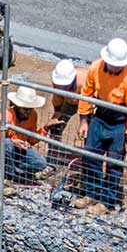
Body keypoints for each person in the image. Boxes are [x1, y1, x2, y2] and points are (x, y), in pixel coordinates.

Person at [70, 38, 127, 214]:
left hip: (119, 121)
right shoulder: (95, 68)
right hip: (100, 115)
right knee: (90, 156)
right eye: (112, 64)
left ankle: (107, 201)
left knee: (114, 163)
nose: (115, 67)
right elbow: (86, 93)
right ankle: (92, 192)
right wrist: (83, 120)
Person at [0, 85, 49, 186]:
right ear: (17, 106)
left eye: (30, 109)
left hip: (16, 153)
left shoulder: (33, 115)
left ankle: (12, 171)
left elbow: (31, 139)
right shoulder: (5, 117)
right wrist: (13, 143)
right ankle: (6, 179)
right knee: (7, 143)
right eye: (25, 109)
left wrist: (45, 128)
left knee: (41, 163)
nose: (28, 112)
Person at [43, 60, 83, 208]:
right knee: (56, 127)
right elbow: (58, 103)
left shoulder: (84, 81)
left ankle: (86, 169)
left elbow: (92, 103)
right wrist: (56, 117)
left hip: (88, 103)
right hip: (70, 101)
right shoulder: (58, 83)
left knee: (90, 134)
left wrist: (84, 122)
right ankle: (52, 162)